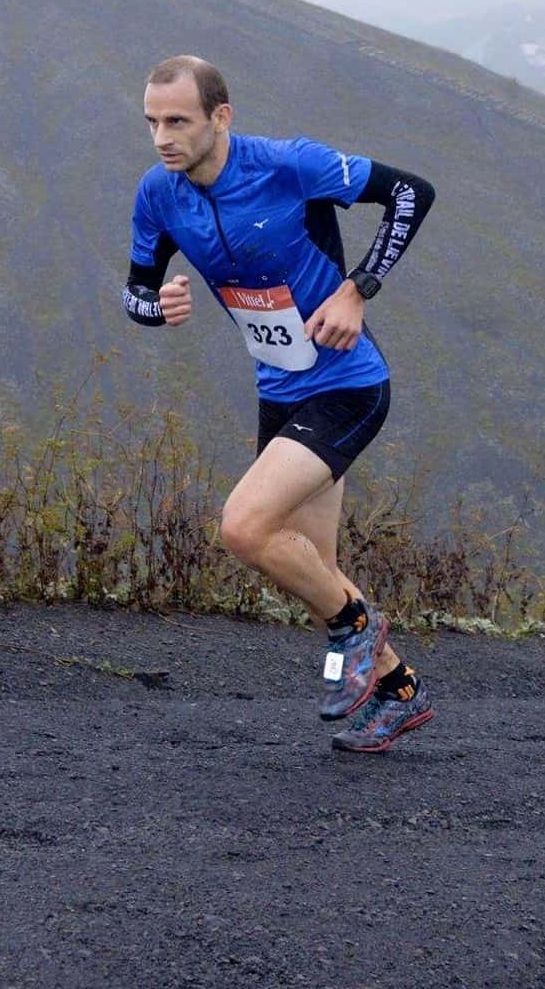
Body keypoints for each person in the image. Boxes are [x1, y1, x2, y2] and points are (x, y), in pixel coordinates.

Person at [122, 55, 436, 753]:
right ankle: (397, 691)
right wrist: (159, 303)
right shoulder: (159, 194)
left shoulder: (290, 165)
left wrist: (358, 289)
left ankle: (356, 631)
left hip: (348, 384)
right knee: (309, 565)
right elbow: (136, 290)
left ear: (221, 117)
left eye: (178, 121)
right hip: (279, 389)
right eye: (151, 122)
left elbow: (413, 193)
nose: (162, 138)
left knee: (243, 528)